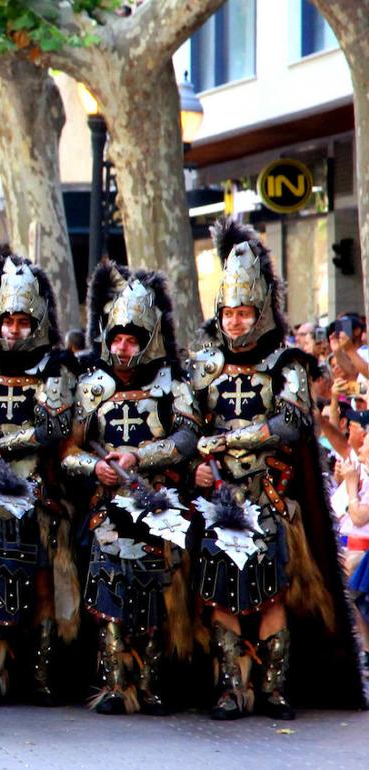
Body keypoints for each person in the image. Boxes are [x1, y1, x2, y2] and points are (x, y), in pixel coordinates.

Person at [189, 218, 363, 720]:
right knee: (220, 593)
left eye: (244, 312)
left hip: (271, 500)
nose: (237, 321)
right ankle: (231, 687)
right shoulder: (203, 365)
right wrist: (198, 465)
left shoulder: (287, 363)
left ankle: (274, 687)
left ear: (260, 310)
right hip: (218, 500)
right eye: (229, 312)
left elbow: (289, 424)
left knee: (271, 595)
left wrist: (223, 439)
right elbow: (187, 428)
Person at [61, 263, 198, 715]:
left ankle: (152, 684)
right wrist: (94, 466)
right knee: (109, 590)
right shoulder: (90, 386)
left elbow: (186, 438)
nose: (123, 348)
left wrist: (140, 457)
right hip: (107, 508)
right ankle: (115, 685)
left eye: (133, 339)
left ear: (148, 339)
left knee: (155, 591)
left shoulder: (171, 385)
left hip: (158, 507)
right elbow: (67, 451)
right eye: (118, 338)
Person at [0, 254, 79, 707]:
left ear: (38, 320)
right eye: (7, 319)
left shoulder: (56, 366)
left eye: (23, 320)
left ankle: (41, 674)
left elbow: (53, 428)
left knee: (43, 581)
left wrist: (1, 444)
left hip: (40, 490)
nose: (13, 328)